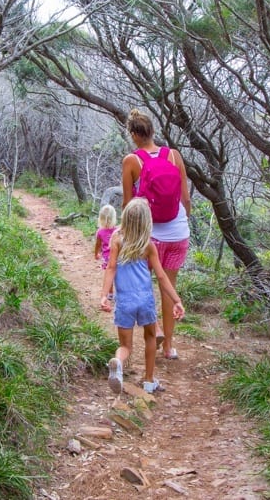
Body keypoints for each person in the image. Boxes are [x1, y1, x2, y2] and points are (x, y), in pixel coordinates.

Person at [121, 108, 191, 360]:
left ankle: (156, 328)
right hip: (178, 233)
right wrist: (182, 222)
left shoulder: (132, 161)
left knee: (143, 284)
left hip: (148, 237)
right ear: (152, 131)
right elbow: (185, 198)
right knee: (168, 287)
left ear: (133, 134)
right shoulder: (173, 155)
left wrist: (125, 234)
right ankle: (169, 347)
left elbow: (129, 205)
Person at [100, 198, 185, 394]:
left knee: (125, 346)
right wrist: (176, 300)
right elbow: (162, 276)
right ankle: (148, 381)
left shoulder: (116, 240)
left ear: (126, 218)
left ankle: (118, 363)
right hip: (145, 301)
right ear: (147, 222)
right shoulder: (148, 246)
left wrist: (104, 295)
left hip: (125, 302)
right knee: (150, 338)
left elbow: (111, 268)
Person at [94, 204, 117, 300]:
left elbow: (98, 245)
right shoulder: (118, 230)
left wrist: (96, 253)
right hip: (117, 256)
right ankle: (119, 292)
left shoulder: (100, 232)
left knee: (109, 274)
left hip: (107, 257)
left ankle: (110, 293)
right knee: (118, 275)